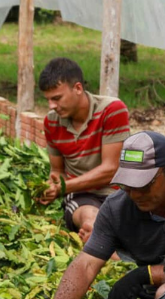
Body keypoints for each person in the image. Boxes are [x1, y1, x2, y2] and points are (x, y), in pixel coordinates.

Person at [40, 131, 165, 299]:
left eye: (144, 185)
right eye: (129, 185)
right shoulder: (117, 208)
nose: (136, 194)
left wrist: (147, 274)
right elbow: (86, 264)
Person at [37, 58, 131, 243]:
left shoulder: (111, 110)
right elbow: (57, 171)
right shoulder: (51, 122)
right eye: (48, 99)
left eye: (56, 98)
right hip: (82, 196)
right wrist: (50, 187)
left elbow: (111, 169)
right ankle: (95, 234)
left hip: (119, 192)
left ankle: (100, 242)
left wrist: (61, 188)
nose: (51, 106)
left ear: (78, 88)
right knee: (89, 217)